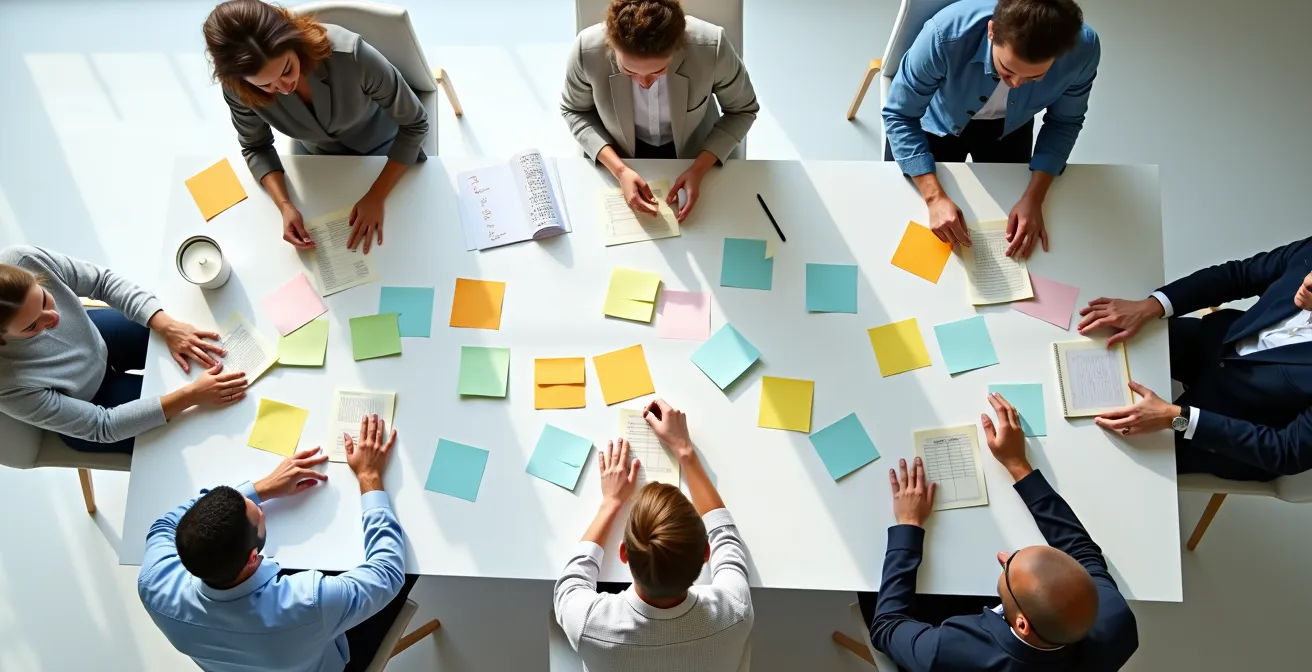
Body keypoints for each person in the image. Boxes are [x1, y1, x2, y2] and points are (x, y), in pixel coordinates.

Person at [867, 393, 1138, 670]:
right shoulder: (1116, 621)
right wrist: (1019, 466)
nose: (1003, 557)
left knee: (868, 592)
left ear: (1022, 624)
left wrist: (908, 525)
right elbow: (1083, 552)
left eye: (1008, 571)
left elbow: (887, 626)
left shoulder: (950, 651)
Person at [139, 415, 416, 672]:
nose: (261, 509)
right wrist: (370, 477)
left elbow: (164, 526)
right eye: (258, 514)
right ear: (251, 558)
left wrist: (262, 487)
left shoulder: (154, 585)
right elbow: (387, 574)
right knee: (411, 567)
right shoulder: (308, 603)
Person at [1076, 236, 1312, 481]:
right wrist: (1152, 305)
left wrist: (1177, 418)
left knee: (1100, 454)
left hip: (1236, 421)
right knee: (1097, 337)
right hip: (1214, 343)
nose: (1309, 281)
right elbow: (1239, 275)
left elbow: (1287, 451)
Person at [203, 0, 430, 253]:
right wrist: (285, 205)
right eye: (265, 85)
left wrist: (376, 196)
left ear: (292, 40)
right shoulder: (238, 89)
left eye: (287, 69)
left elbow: (416, 124)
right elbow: (255, 146)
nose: (283, 87)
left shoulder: (351, 56)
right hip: (320, 163)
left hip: (388, 151)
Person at [883, 0, 1099, 258]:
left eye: (1034, 77)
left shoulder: (1083, 50)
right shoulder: (944, 34)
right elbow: (899, 114)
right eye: (1007, 70)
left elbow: (1064, 121)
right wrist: (934, 198)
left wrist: (1035, 197)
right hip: (936, 121)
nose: (1017, 84)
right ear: (991, 31)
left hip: (1012, 127)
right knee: (906, 226)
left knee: (1007, 217)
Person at [554, 399, 753, 671]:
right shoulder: (735, 612)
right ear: (706, 553)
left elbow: (571, 582)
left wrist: (610, 503)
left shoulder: (589, 623)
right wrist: (685, 450)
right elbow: (725, 535)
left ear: (623, 553)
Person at [0, 245, 247, 454]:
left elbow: (101, 281)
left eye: (44, 298)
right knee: (191, 426)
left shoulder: (23, 261)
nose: (54, 318)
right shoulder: (6, 383)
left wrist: (169, 327)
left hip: (96, 336)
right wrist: (190, 395)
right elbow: (102, 426)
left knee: (186, 333)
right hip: (91, 403)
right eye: (33, 325)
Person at [561, 0, 758, 223]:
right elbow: (574, 110)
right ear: (611, 46)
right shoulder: (585, 50)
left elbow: (743, 109)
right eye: (628, 70)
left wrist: (698, 169)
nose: (644, 84)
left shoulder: (712, 46)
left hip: (694, 151)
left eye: (658, 71)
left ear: (678, 48)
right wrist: (621, 171)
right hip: (619, 151)